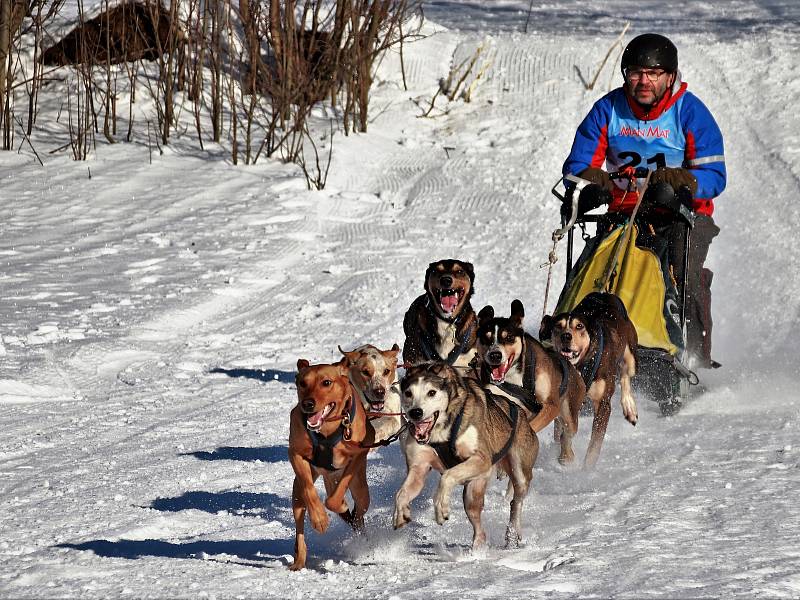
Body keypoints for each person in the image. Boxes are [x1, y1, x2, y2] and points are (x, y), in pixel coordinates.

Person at [562, 33, 726, 369]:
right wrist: (594, 181)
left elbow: (715, 176)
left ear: (670, 76)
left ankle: (695, 357)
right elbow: (577, 165)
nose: (644, 81)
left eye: (653, 74)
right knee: (595, 270)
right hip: (624, 212)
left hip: (682, 215)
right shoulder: (607, 110)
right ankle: (575, 338)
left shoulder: (690, 111)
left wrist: (686, 182)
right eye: (636, 73)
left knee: (684, 277)